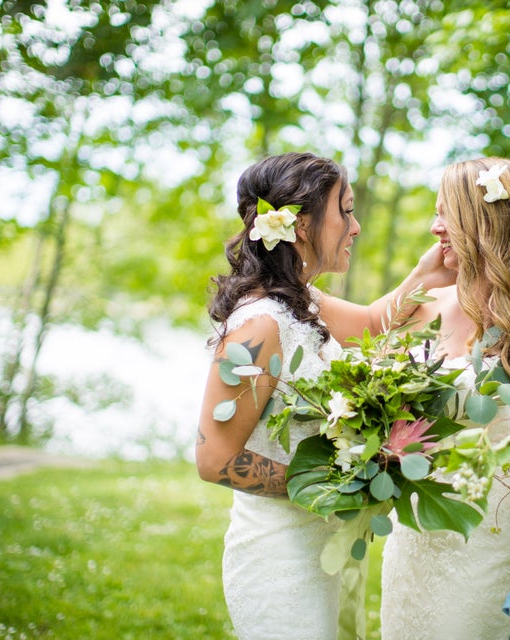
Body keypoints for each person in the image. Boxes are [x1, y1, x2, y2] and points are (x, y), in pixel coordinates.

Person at [196, 151, 449, 639]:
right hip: (277, 558)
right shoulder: (259, 324)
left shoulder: (298, 302)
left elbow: (375, 325)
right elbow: (215, 459)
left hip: (318, 546)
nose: (355, 227)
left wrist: (428, 273)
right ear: (305, 223)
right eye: (346, 210)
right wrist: (337, 483)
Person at [378, 157, 510, 640]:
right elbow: (369, 379)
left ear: (485, 223)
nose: (434, 228)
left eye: (445, 214)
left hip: (485, 548)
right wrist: (416, 278)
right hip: (413, 542)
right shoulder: (424, 307)